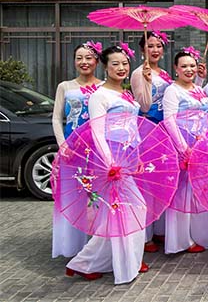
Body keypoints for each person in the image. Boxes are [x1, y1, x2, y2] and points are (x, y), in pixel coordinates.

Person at [65, 43, 148, 284]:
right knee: (129, 209)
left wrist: (138, 156)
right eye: (115, 64)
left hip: (128, 157)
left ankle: (89, 263)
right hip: (110, 159)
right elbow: (97, 132)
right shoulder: (99, 96)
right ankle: (120, 263)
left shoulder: (126, 94)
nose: (121, 68)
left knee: (118, 213)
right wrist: (110, 162)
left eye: (125, 63)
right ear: (105, 66)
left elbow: (134, 125)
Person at [52, 41, 103, 258]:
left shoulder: (104, 87)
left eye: (89, 58)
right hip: (72, 150)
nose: (84, 62)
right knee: (74, 195)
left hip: (97, 149)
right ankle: (72, 245)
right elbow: (56, 118)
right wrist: (62, 145)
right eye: (79, 58)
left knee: (98, 195)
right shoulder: (65, 86)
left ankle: (97, 245)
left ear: (97, 62)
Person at [162, 47, 208, 255]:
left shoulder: (198, 88)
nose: (189, 69)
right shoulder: (172, 90)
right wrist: (183, 148)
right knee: (182, 192)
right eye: (184, 66)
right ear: (176, 68)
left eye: (192, 65)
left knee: (198, 190)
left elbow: (202, 113)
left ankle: (200, 234)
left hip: (201, 145)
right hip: (183, 145)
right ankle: (181, 240)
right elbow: (169, 120)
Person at [130, 31, 173, 252]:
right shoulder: (139, 73)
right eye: (150, 46)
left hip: (163, 131)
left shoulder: (165, 73)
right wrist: (146, 82)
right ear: (142, 50)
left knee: (160, 181)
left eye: (158, 46)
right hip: (147, 130)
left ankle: (159, 229)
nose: (155, 50)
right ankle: (145, 235)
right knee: (146, 181)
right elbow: (144, 106)